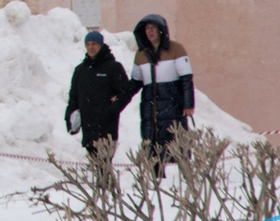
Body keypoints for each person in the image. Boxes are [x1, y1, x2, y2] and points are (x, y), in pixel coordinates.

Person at [129, 13, 195, 177]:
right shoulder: (141, 54)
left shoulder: (176, 49)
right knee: (153, 146)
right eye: (147, 28)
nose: (150, 32)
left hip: (173, 105)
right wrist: (119, 96)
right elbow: (136, 82)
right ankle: (156, 181)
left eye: (153, 28)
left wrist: (188, 104)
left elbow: (186, 79)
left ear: (161, 30)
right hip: (150, 109)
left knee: (178, 144)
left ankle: (188, 180)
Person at [64, 28, 136, 162]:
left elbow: (125, 93)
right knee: (97, 169)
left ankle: (107, 184)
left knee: (104, 168)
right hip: (88, 129)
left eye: (94, 44)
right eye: (88, 44)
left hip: (106, 130)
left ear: (101, 45)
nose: (90, 47)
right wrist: (69, 117)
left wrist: (111, 110)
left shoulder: (113, 67)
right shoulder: (80, 70)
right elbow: (73, 97)